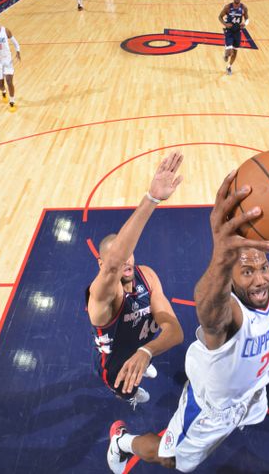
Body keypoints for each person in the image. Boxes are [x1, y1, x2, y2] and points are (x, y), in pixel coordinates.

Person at [106, 170, 269, 473]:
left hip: (251, 397)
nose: (259, 280)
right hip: (208, 410)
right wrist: (221, 253)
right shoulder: (228, 313)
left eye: (262, 267)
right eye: (247, 272)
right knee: (169, 458)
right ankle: (123, 442)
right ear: (231, 279)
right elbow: (207, 306)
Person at [87, 152, 185, 407]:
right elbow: (113, 265)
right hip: (117, 366)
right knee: (126, 391)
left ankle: (142, 358)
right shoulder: (102, 297)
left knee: (143, 351)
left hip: (140, 349)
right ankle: (129, 397)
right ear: (102, 263)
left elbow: (175, 332)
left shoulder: (147, 275)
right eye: (119, 257)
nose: (127, 261)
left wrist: (146, 351)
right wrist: (151, 199)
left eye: (130, 253)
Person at [218, 0, 248, 76]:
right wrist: (225, 24)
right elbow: (220, 17)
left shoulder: (244, 8)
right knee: (230, 50)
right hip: (229, 31)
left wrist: (245, 24)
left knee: (235, 52)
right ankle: (226, 54)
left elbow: (247, 18)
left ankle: (229, 67)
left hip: (238, 31)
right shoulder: (228, 7)